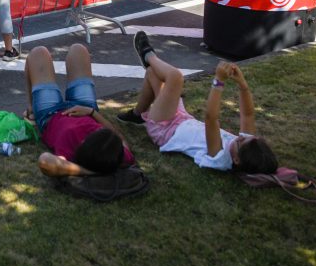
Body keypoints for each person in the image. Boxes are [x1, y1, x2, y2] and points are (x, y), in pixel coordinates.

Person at [118, 31, 278, 175]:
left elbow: (211, 119)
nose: (241, 137)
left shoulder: (219, 156)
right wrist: (242, 84)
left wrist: (219, 81)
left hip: (164, 130)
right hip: (182, 119)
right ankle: (137, 114)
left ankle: (148, 55)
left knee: (175, 77)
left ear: (236, 160)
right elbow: (248, 114)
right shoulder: (246, 147)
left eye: (240, 142)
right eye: (248, 138)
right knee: (153, 72)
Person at [25, 43, 136, 177]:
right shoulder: (117, 156)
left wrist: (88, 172)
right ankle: (33, 107)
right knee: (78, 50)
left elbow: (45, 161)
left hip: (51, 114)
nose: (95, 130)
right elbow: (118, 136)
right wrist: (91, 112)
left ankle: (32, 107)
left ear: (85, 145)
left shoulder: (69, 153)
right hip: (85, 109)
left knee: (38, 53)